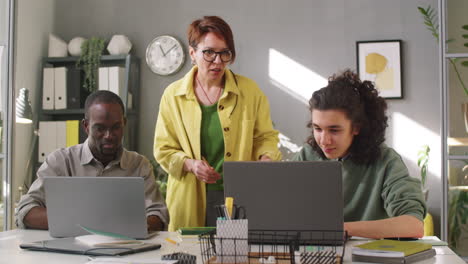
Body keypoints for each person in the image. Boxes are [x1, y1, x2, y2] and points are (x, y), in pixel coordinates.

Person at [154, 15, 281, 231]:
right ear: (192, 53)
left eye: (224, 53)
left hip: (240, 195)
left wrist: (266, 158)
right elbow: (163, 149)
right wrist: (191, 164)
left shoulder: (250, 91)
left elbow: (265, 137)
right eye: (209, 52)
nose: (218, 61)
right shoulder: (172, 95)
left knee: (237, 257)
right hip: (189, 198)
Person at [293, 70, 426, 239]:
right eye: (317, 128)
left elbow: (412, 226)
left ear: (356, 127)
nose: (324, 140)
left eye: (334, 130)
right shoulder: (306, 156)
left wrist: (337, 230)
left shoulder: (385, 161)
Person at [16, 90, 169, 231]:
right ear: (86, 126)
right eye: (100, 128)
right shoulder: (60, 162)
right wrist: (82, 222)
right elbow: (26, 211)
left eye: (116, 127)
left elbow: (158, 215)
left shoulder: (139, 165)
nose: (108, 135)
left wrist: (133, 226)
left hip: (124, 252)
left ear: (124, 124)